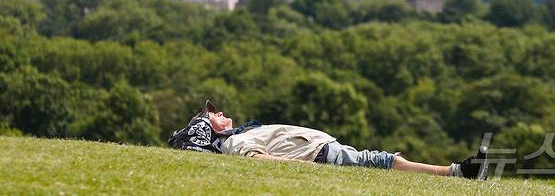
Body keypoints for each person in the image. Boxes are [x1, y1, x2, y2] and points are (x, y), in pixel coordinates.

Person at [168, 100, 488, 180]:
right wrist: (305, 165)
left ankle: (459, 172)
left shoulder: (237, 136)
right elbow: (258, 160)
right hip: (320, 156)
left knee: (381, 160)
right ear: (207, 131)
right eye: (213, 115)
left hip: (322, 151)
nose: (220, 112)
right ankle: (458, 172)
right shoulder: (232, 143)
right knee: (385, 160)